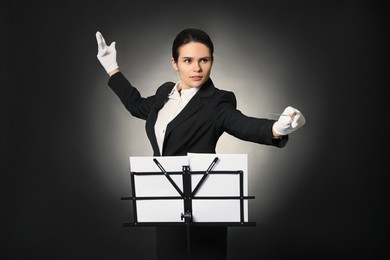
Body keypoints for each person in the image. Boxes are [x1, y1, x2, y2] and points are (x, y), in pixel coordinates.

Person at [96, 28, 305, 260]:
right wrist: (111, 68)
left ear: (212, 61)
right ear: (174, 63)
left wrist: (276, 129)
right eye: (188, 60)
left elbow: (240, 123)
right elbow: (136, 105)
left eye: (204, 60)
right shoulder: (165, 93)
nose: (197, 68)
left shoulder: (218, 101)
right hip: (165, 201)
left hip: (206, 202)